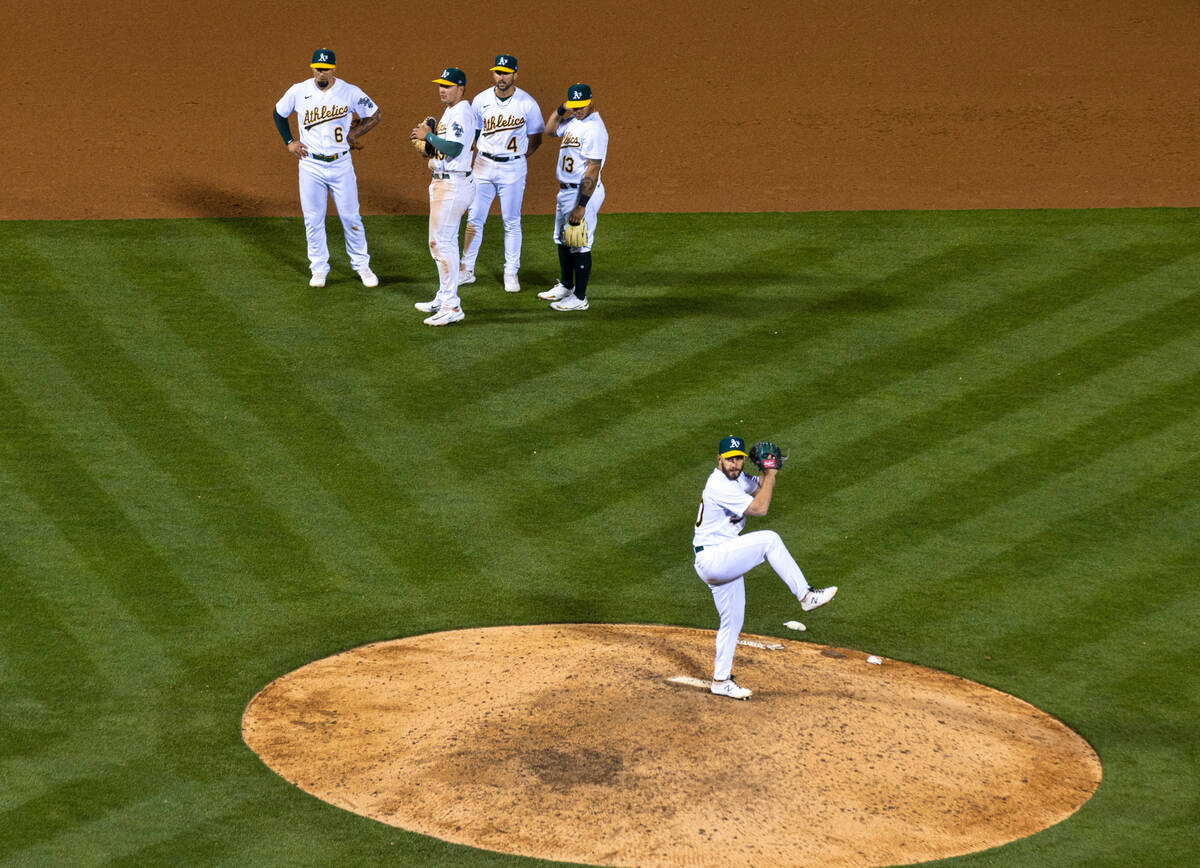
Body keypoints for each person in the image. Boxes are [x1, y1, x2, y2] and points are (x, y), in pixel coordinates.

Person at [692, 435, 838, 700]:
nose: (735, 464)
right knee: (770, 540)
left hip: (725, 558)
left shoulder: (737, 479)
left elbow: (759, 486)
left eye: (738, 459)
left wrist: (767, 472)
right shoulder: (718, 484)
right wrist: (770, 473)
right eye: (730, 459)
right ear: (719, 460)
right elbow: (760, 508)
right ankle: (806, 596)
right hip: (713, 559)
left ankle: (720, 680)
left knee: (733, 619)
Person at [273, 49, 381, 289]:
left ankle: (362, 265)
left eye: (326, 68)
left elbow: (375, 114)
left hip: (341, 164)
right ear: (312, 68)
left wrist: (354, 133)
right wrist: (289, 142)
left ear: (334, 68)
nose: (321, 72)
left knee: (351, 216)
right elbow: (278, 113)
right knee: (313, 219)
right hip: (310, 164)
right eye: (317, 68)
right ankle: (319, 268)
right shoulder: (298, 90)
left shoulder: (349, 91)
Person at [458, 54, 544, 293]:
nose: (501, 77)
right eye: (498, 72)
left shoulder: (527, 103)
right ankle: (466, 270)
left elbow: (536, 138)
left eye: (506, 73)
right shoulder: (481, 100)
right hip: (483, 165)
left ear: (515, 75)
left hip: (513, 169)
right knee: (474, 218)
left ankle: (511, 272)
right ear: (493, 74)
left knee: (511, 221)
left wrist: (519, 158)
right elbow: (474, 134)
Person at [411, 68, 478, 326]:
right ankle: (443, 297)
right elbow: (443, 149)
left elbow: (455, 147)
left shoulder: (461, 111)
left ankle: (452, 305)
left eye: (448, 86)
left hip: (453, 186)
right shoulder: (451, 110)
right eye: (441, 85)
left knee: (442, 244)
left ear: (461, 88)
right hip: (445, 183)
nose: (442, 89)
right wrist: (431, 147)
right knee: (439, 243)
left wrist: (427, 136)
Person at [537, 83, 608, 312]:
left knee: (579, 244)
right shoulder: (575, 121)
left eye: (581, 106)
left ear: (591, 101)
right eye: (574, 106)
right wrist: (561, 109)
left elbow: (593, 170)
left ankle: (580, 297)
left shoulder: (595, 129)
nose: (578, 110)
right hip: (566, 191)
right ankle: (567, 285)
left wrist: (581, 206)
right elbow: (549, 130)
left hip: (582, 192)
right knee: (562, 239)